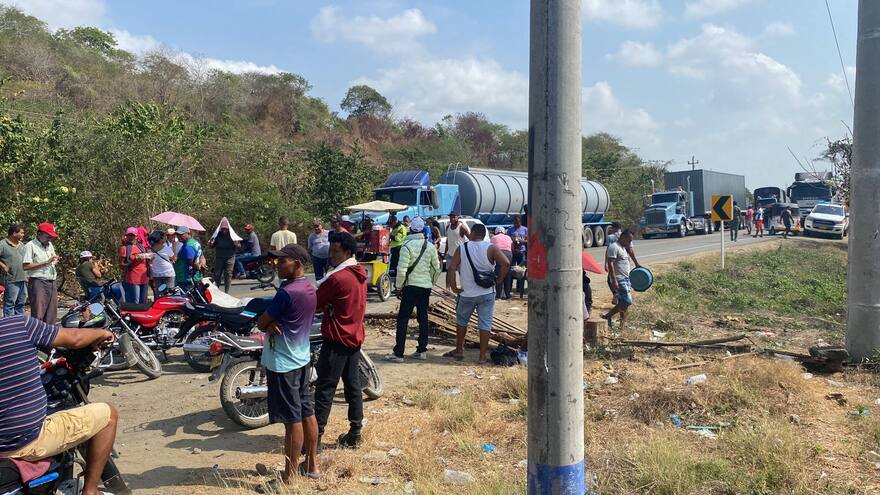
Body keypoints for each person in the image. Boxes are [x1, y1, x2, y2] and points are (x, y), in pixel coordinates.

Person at [0, 314, 119, 495]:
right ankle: (91, 491)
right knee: (109, 414)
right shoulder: (19, 325)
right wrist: (101, 333)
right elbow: (75, 338)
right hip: (22, 443)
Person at [256, 244, 320, 483]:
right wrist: (272, 322)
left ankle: (289, 478)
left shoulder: (287, 293)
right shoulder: (308, 288)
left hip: (284, 363)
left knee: (292, 421)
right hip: (301, 358)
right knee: (306, 412)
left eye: (283, 261)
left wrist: (268, 324)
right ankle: (311, 465)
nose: (277, 265)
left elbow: (262, 323)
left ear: (297, 263)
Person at [314, 233, 367, 449]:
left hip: (337, 339)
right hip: (354, 337)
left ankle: (315, 439)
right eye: (330, 252)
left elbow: (316, 301)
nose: (331, 256)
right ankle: (355, 433)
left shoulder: (337, 278)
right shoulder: (359, 273)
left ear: (347, 252)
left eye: (336, 252)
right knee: (353, 386)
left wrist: (326, 307)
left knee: (325, 388)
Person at [444, 224, 510, 364]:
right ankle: (482, 357)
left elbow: (451, 268)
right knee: (485, 324)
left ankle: (459, 350)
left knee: (462, 322)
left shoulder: (463, 248)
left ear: (472, 233)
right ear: (484, 233)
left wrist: (455, 287)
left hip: (467, 293)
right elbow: (506, 263)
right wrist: (499, 280)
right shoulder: (491, 248)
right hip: (487, 293)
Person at [384, 218, 440, 363]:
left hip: (410, 287)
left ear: (410, 230)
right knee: (423, 318)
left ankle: (399, 353)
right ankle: (422, 350)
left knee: (403, 319)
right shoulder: (430, 247)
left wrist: (399, 287)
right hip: (425, 287)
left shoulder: (406, 246)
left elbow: (401, 270)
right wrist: (430, 282)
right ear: (423, 230)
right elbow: (436, 269)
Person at [22, 223, 60, 323]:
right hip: (38, 282)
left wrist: (54, 261)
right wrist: (46, 262)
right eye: (48, 236)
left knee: (51, 313)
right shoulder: (30, 246)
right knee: (39, 313)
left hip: (51, 280)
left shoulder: (49, 245)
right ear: (39, 234)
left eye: (51, 237)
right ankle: (38, 336)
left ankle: (50, 336)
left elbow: (52, 258)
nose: (49, 239)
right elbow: (26, 266)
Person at [602, 229, 636, 330]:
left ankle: (622, 327)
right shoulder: (614, 247)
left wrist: (637, 264)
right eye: (629, 240)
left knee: (624, 305)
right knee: (627, 301)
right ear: (623, 237)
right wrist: (614, 280)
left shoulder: (623, 248)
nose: (630, 243)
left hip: (626, 278)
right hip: (619, 279)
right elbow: (610, 264)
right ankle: (607, 315)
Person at [0, 224, 26, 317]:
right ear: (14, 233)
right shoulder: (2, 244)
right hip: (11, 279)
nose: (23, 235)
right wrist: (2, 265)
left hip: (22, 279)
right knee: (10, 304)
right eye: (21, 233)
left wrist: (27, 275)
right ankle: (9, 327)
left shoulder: (22, 245)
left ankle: (19, 325)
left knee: (21, 303)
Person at [119, 227, 150, 304]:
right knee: (134, 302)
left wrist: (149, 257)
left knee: (143, 301)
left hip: (144, 278)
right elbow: (121, 265)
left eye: (132, 235)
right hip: (133, 279)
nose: (130, 237)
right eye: (129, 235)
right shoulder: (124, 248)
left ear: (136, 236)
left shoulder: (141, 247)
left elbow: (147, 260)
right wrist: (132, 260)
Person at [209, 218, 241, 293]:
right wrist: (211, 243)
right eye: (223, 229)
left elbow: (239, 246)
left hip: (230, 257)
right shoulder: (217, 235)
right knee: (217, 274)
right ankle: (216, 291)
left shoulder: (232, 235)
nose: (224, 230)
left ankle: (227, 291)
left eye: (225, 229)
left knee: (228, 274)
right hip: (219, 257)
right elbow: (212, 246)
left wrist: (237, 244)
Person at [507, 215, 528, 298]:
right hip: (513, 251)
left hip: (521, 251)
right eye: (515, 222)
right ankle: (509, 287)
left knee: (521, 270)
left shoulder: (525, 229)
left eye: (518, 222)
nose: (516, 223)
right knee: (511, 269)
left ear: (520, 222)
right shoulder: (510, 229)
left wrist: (522, 241)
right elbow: (507, 239)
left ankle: (519, 288)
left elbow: (528, 240)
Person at [149, 231, 176, 295]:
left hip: (156, 274)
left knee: (160, 294)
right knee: (169, 294)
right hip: (168, 273)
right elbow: (174, 258)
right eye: (164, 237)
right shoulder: (166, 248)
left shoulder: (150, 250)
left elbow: (151, 261)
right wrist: (174, 247)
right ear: (160, 239)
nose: (165, 238)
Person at [489, 227, 513, 299]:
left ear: (496, 232)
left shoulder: (493, 238)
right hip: (508, 254)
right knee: (507, 274)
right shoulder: (508, 237)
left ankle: (498, 295)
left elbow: (491, 248)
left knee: (498, 273)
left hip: (499, 253)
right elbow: (512, 247)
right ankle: (507, 294)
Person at [388, 215, 407, 282]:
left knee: (397, 265)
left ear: (395, 221)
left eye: (391, 223)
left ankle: (398, 283)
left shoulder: (401, 228)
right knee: (393, 265)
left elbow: (397, 239)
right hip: (393, 248)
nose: (390, 225)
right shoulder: (395, 228)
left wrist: (389, 234)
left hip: (399, 248)